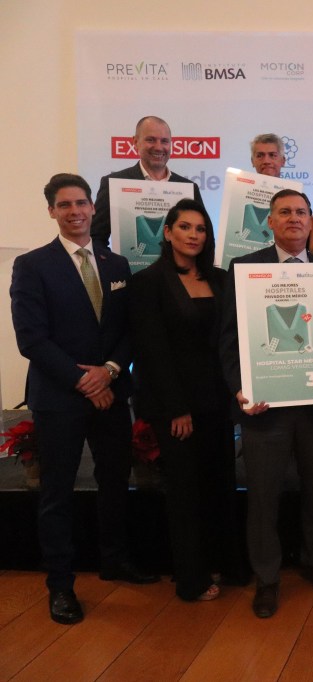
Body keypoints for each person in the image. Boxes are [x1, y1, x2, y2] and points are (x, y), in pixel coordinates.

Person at [11, 173, 157, 625]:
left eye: (81, 203)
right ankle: (60, 585)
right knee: (56, 492)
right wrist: (84, 381)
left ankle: (114, 560)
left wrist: (109, 372)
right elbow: (31, 339)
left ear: (94, 207)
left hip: (111, 393)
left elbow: (129, 330)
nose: (74, 211)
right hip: (60, 398)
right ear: (51, 211)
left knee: (115, 482)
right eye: (64, 205)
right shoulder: (32, 265)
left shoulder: (117, 265)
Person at [220, 189, 313, 617]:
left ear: (312, 221)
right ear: (269, 221)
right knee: (263, 497)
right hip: (265, 407)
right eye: (284, 212)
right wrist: (240, 387)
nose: (294, 218)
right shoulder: (244, 268)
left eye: (301, 212)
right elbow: (229, 338)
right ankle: (267, 578)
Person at [130, 199, 241, 602]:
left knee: (219, 486)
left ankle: (224, 562)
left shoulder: (219, 278)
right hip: (177, 407)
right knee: (185, 494)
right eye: (185, 227)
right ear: (167, 232)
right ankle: (191, 579)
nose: (194, 235)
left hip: (217, 401)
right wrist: (177, 408)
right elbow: (152, 352)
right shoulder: (148, 282)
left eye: (201, 229)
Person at [92, 116, 205, 247]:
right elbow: (96, 238)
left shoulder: (189, 188)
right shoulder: (113, 185)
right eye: (151, 140)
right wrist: (113, 260)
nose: (158, 147)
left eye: (164, 141)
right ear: (135, 142)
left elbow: (205, 237)